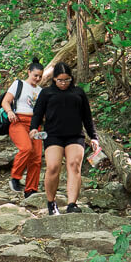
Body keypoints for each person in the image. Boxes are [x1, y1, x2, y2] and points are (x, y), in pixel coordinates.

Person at [29, 62, 99, 215]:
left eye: (66, 80)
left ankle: (72, 204)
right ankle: (51, 202)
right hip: (53, 135)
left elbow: (87, 117)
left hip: (75, 135)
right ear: (54, 79)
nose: (63, 83)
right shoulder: (46, 93)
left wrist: (94, 137)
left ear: (71, 78)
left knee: (74, 165)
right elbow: (37, 114)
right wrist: (34, 128)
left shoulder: (79, 92)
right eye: (60, 80)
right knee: (53, 167)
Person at [2, 57, 45, 199]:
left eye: (40, 76)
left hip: (35, 125)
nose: (37, 78)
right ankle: (15, 177)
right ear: (29, 73)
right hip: (18, 121)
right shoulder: (18, 84)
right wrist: (9, 112)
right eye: (35, 75)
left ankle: (30, 190)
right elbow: (5, 101)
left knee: (37, 158)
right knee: (26, 148)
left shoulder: (41, 91)